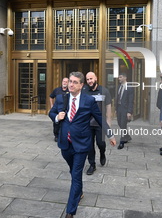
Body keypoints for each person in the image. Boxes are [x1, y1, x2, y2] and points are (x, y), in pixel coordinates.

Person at [49, 72, 116, 218]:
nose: (71, 84)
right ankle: (79, 192)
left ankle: (70, 212)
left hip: (81, 144)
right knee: (73, 170)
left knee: (76, 175)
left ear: (81, 85)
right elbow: (51, 112)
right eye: (70, 81)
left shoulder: (89, 100)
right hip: (65, 143)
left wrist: (110, 134)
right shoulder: (61, 98)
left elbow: (100, 118)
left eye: (74, 82)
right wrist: (56, 117)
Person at [82, 72, 112, 175]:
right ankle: (92, 165)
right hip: (87, 124)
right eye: (88, 79)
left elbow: (108, 107)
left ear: (96, 78)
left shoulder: (104, 91)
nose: (89, 81)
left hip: (100, 123)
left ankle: (102, 153)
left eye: (91, 78)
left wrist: (108, 123)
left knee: (101, 143)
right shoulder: (84, 91)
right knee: (89, 146)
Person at [115, 72, 134, 149]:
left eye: (120, 77)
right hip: (119, 108)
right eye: (119, 77)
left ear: (125, 78)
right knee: (119, 123)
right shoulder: (119, 86)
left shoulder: (129, 87)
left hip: (125, 109)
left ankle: (122, 142)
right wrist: (116, 109)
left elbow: (131, 101)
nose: (119, 79)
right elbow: (117, 98)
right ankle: (127, 137)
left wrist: (129, 112)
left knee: (123, 125)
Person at [49, 77, 69, 142]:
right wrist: (52, 105)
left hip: (66, 110)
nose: (64, 83)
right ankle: (56, 136)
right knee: (56, 123)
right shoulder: (57, 90)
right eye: (64, 81)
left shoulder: (70, 91)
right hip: (57, 110)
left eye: (66, 82)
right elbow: (51, 97)